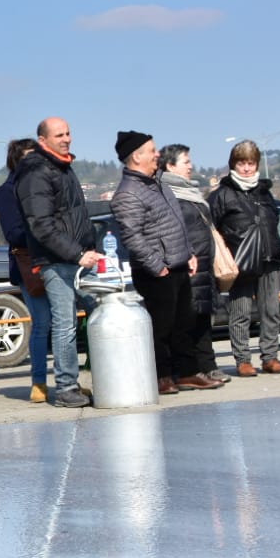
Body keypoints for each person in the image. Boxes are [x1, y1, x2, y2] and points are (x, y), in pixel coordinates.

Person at [110, 132, 217, 394]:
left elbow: (177, 223)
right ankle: (162, 376)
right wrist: (156, 265)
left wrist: (189, 253)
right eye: (152, 150)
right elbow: (132, 236)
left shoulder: (158, 183)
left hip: (178, 263)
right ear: (137, 156)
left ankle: (188, 372)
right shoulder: (128, 193)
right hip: (156, 271)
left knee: (184, 323)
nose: (157, 154)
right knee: (161, 327)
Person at [15, 117, 99, 408]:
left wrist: (89, 248)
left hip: (79, 257)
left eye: (68, 133)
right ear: (43, 140)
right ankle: (65, 387)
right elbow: (41, 224)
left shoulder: (62, 167)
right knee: (64, 324)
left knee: (99, 312)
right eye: (59, 135)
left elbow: (73, 215)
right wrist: (76, 253)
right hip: (57, 260)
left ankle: (102, 375)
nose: (67, 138)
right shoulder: (37, 173)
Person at [208, 140, 280, 377]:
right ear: (234, 164)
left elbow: (274, 219)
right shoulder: (222, 195)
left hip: (269, 257)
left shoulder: (264, 191)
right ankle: (242, 359)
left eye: (251, 163)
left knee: (270, 310)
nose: (247, 168)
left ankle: (270, 357)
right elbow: (212, 228)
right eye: (242, 163)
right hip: (239, 261)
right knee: (240, 312)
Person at [158, 145, 228, 384]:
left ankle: (208, 365)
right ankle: (191, 368)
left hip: (204, 263)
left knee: (203, 316)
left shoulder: (191, 193)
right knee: (188, 320)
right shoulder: (168, 194)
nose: (190, 166)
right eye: (185, 162)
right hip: (188, 264)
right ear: (170, 166)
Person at [0, 138, 51, 403]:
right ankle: (39, 382)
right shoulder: (6, 192)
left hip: (56, 260)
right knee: (42, 324)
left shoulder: (46, 185)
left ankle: (67, 380)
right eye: (28, 157)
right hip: (30, 266)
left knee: (64, 323)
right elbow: (13, 233)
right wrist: (44, 234)